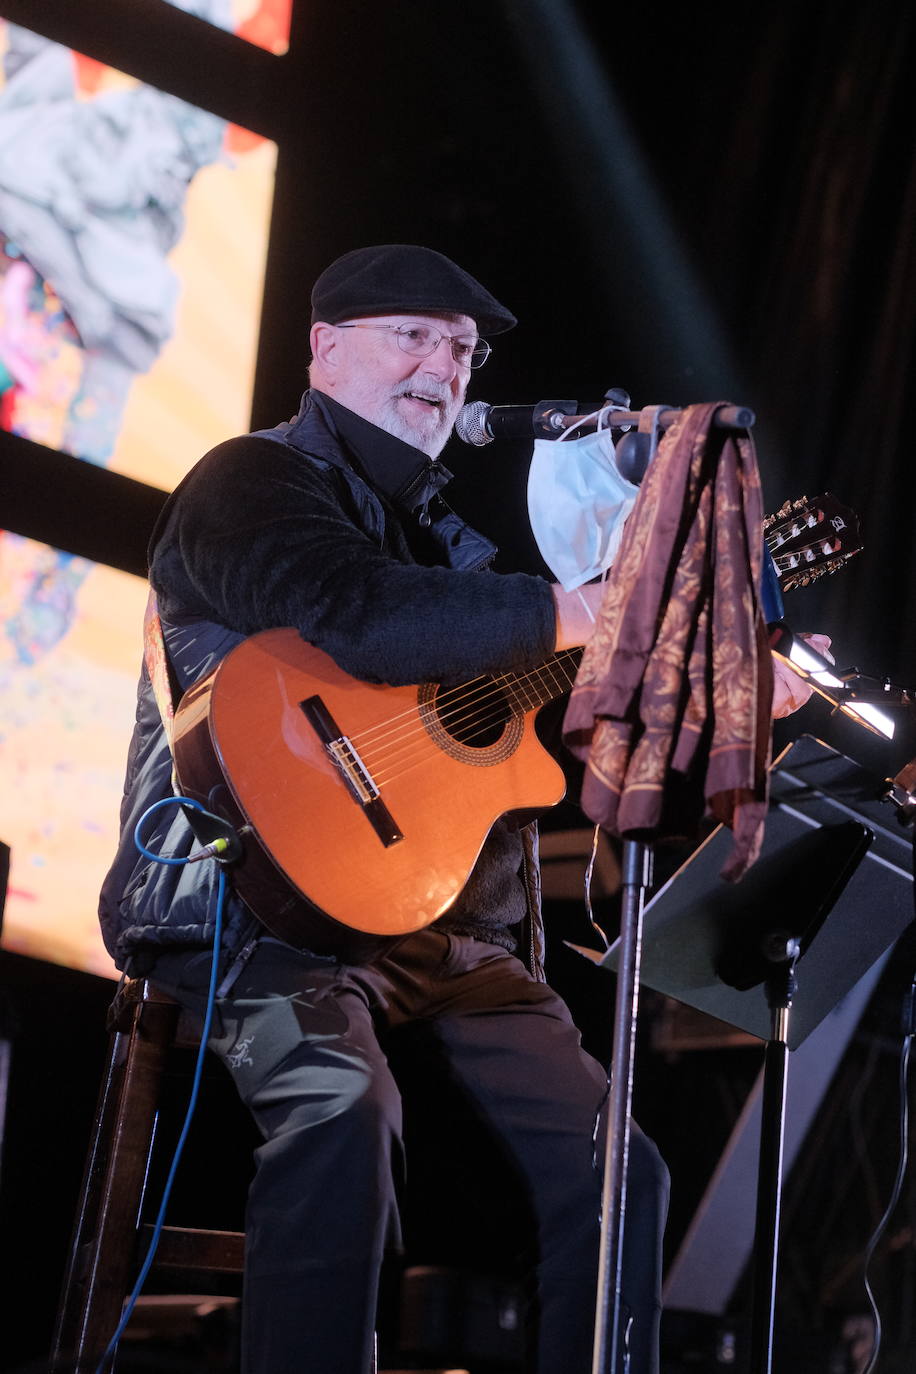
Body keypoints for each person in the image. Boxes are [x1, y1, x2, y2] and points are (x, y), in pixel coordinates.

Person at [99, 243, 813, 1374]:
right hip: (247, 899)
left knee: (618, 1170)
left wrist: (725, 684)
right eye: (415, 335)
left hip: (441, 921)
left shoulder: (452, 544)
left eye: (465, 349)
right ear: (325, 349)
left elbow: (558, 727)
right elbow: (364, 616)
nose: (446, 366)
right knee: (342, 1115)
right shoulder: (250, 481)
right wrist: (591, 605)